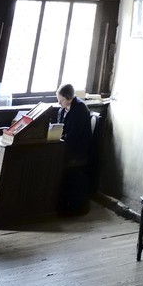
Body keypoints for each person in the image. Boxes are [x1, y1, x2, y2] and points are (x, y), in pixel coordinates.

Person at [56, 83, 93, 213]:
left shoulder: (80, 109)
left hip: (77, 149)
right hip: (66, 144)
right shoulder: (62, 109)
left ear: (68, 98)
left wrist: (62, 140)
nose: (59, 103)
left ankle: (66, 204)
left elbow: (75, 135)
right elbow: (60, 127)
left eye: (61, 100)